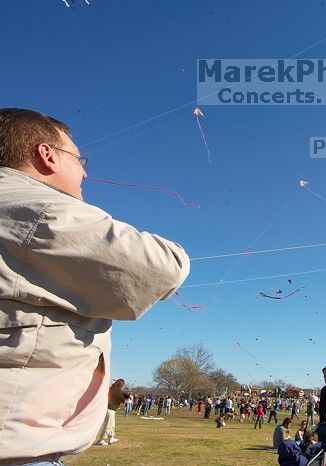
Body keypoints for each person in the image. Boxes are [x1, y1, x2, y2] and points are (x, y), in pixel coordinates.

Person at [0, 109, 190, 466]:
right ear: (47, 155)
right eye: (78, 158)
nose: (85, 171)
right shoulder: (38, 209)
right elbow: (161, 266)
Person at [95, 379, 126, 446]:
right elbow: (123, 400)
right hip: (110, 409)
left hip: (108, 408)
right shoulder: (117, 391)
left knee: (112, 424)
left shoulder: (110, 389)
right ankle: (101, 440)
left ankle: (111, 437)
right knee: (108, 425)